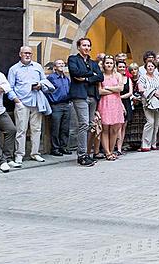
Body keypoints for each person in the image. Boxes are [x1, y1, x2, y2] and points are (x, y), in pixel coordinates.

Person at [7, 46, 50, 165]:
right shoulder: (14, 69)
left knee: (37, 129)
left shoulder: (37, 67)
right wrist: (17, 101)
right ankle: (19, 155)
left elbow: (44, 81)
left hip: (36, 102)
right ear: (20, 54)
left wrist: (40, 85)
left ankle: (35, 153)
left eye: (30, 53)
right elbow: (9, 88)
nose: (28, 55)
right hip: (22, 103)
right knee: (21, 130)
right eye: (25, 53)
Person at [68, 38, 103, 167]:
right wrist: (91, 75)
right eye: (84, 45)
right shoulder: (73, 59)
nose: (87, 48)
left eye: (88, 45)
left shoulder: (93, 63)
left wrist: (85, 78)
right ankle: (82, 155)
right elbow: (75, 72)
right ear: (79, 47)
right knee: (83, 124)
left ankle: (86, 153)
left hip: (92, 96)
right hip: (80, 95)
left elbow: (100, 76)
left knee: (89, 125)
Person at [96, 55, 125, 160]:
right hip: (104, 103)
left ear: (114, 64)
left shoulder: (118, 75)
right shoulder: (101, 76)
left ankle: (112, 150)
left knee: (114, 129)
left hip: (116, 103)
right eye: (107, 63)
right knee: (105, 129)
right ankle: (107, 152)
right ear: (104, 64)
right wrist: (113, 89)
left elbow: (121, 88)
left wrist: (107, 88)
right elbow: (99, 91)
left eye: (111, 63)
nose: (109, 65)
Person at [137, 59, 159, 151]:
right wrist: (153, 92)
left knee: (156, 123)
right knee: (150, 122)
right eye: (148, 66)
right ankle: (145, 145)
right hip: (148, 102)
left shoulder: (158, 78)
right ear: (145, 67)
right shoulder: (143, 77)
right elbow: (141, 89)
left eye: (152, 66)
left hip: (158, 102)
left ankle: (153, 143)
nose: (150, 67)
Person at [46, 59, 71, 157]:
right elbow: (46, 90)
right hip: (56, 105)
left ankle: (63, 147)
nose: (61, 65)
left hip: (66, 104)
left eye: (63, 64)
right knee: (55, 128)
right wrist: (52, 99)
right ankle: (55, 148)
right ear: (55, 67)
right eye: (59, 64)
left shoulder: (66, 78)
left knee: (65, 128)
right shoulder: (51, 78)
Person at [116, 59, 133, 155]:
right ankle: (117, 147)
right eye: (120, 67)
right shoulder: (115, 78)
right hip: (116, 103)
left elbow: (130, 92)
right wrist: (118, 98)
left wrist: (120, 97)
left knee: (124, 126)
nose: (122, 68)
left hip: (126, 102)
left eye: (123, 67)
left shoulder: (128, 79)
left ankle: (120, 147)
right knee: (118, 126)